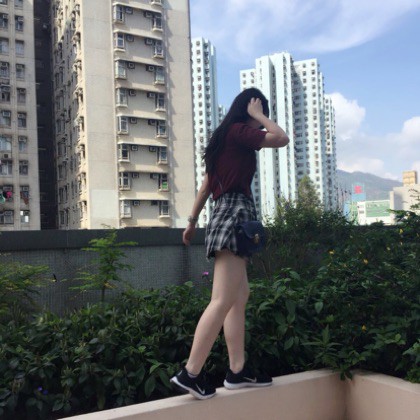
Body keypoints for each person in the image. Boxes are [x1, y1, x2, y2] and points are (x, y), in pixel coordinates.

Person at [170, 88, 289, 399]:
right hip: (236, 214)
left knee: (239, 296)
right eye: (259, 113)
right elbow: (281, 138)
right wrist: (258, 115)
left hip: (224, 214)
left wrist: (192, 222)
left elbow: (206, 187)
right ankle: (190, 372)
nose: (261, 122)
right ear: (249, 109)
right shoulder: (238, 132)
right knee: (222, 299)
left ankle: (237, 371)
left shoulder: (223, 139)